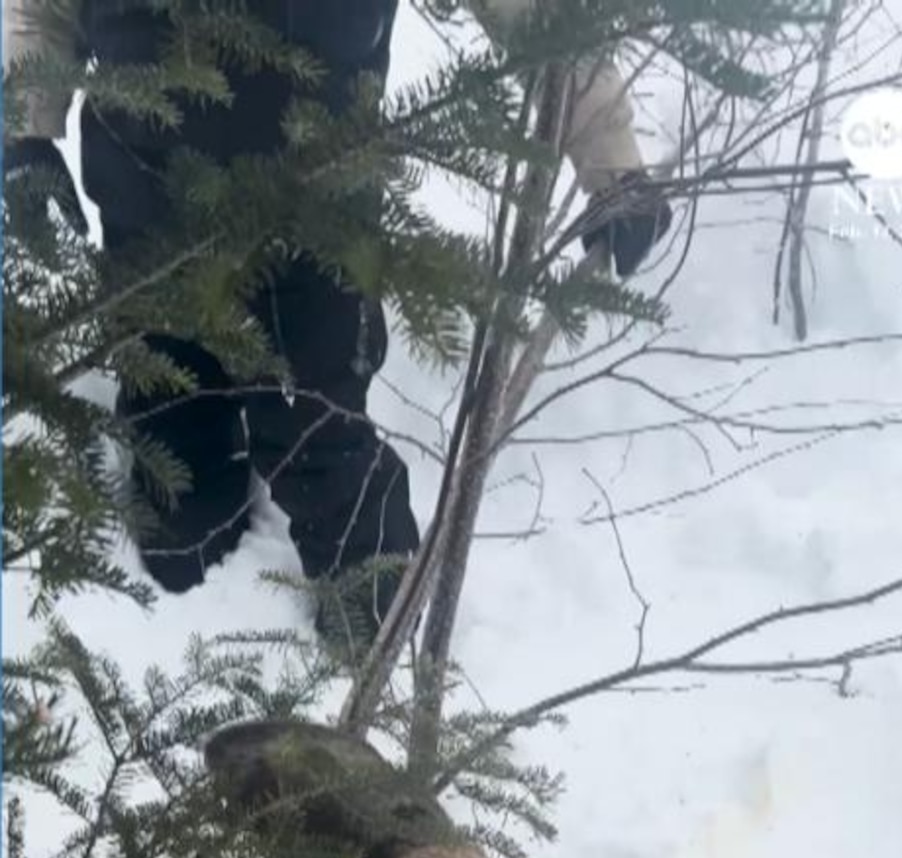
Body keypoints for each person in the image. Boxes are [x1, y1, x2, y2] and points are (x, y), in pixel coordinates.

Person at [3, 0, 673, 634]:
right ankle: (198, 485)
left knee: (322, 439)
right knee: (175, 498)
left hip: (317, 224)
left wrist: (613, 164)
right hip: (146, 217)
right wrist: (24, 133)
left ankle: (372, 643)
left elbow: (535, 13)